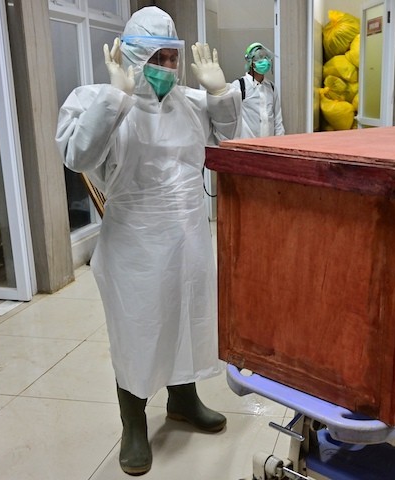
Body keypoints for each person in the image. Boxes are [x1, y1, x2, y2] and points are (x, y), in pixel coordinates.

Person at [55, 6, 241, 476]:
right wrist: (116, 98)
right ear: (131, 56)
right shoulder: (95, 98)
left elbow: (230, 142)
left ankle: (183, 399)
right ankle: (133, 423)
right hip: (134, 242)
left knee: (189, 319)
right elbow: (78, 154)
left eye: (171, 58)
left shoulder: (191, 103)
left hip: (190, 236)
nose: (165, 68)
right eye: (155, 57)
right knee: (137, 330)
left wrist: (220, 92)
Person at [231, 42, 285, 138]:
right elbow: (230, 119)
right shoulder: (239, 86)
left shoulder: (271, 87)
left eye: (266, 57)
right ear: (250, 62)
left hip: (269, 145)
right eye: (259, 58)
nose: (264, 61)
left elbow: (278, 120)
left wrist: (280, 143)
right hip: (248, 145)